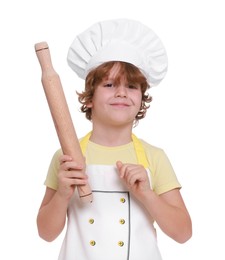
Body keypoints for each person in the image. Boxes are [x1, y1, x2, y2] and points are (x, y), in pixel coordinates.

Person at [37, 19, 192, 260]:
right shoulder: (66, 157)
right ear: (89, 98)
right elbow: (45, 233)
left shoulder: (154, 157)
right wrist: (62, 195)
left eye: (131, 86)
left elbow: (183, 233)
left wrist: (147, 195)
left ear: (141, 99)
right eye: (109, 84)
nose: (121, 92)